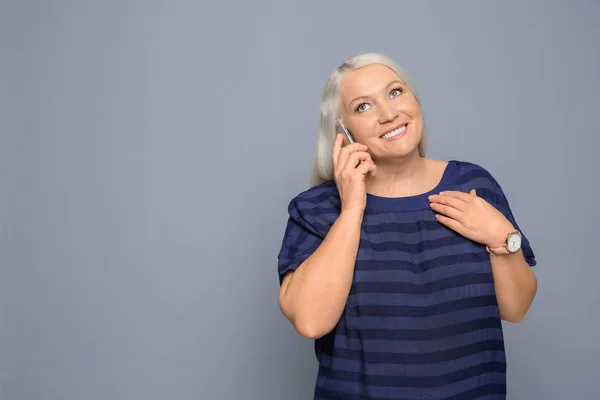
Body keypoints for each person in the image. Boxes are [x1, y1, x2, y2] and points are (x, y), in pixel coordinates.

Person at [276, 52, 538, 399]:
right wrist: (352, 209)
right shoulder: (318, 208)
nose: (388, 114)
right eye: (363, 107)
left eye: (395, 92)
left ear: (415, 100)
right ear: (343, 132)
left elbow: (516, 309)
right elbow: (310, 321)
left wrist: (502, 238)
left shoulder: (474, 185)